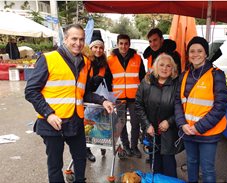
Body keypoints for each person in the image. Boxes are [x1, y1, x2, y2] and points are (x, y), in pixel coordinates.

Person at [25, 24, 113, 183]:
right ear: (65, 39)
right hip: (52, 123)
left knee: (80, 158)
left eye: (81, 39)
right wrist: (48, 113)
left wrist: (103, 100)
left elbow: (83, 92)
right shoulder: (48, 58)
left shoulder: (85, 62)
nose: (78, 43)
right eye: (74, 39)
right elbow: (31, 91)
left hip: (75, 121)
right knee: (55, 165)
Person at [175, 36, 227, 182]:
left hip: (208, 133)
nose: (195, 54)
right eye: (192, 51)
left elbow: (221, 106)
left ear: (206, 54)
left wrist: (199, 127)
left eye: (200, 50)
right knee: (191, 164)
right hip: (188, 131)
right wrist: (182, 124)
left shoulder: (216, 74)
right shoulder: (184, 75)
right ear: (188, 54)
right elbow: (177, 102)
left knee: (207, 169)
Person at [135, 53, 183, 177]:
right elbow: (139, 105)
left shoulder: (177, 84)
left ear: (173, 69)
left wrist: (169, 121)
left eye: (168, 66)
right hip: (152, 132)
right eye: (161, 65)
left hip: (169, 132)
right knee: (155, 165)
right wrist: (147, 125)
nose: (164, 68)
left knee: (169, 165)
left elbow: (182, 107)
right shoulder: (146, 82)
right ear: (155, 66)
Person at [106, 34, 146, 158]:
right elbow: (108, 80)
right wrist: (109, 97)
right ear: (117, 44)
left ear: (129, 44)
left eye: (126, 43)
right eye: (121, 43)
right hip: (119, 98)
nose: (123, 46)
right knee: (121, 123)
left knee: (135, 123)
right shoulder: (110, 59)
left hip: (134, 98)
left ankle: (134, 147)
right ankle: (126, 146)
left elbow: (142, 77)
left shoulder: (137, 58)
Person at [82, 36, 108, 162]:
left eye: (101, 48)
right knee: (87, 125)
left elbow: (108, 80)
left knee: (100, 124)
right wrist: (92, 81)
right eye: (95, 47)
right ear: (90, 48)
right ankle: (86, 150)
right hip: (86, 99)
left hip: (99, 100)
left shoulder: (104, 64)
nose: (98, 50)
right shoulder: (85, 61)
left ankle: (101, 143)